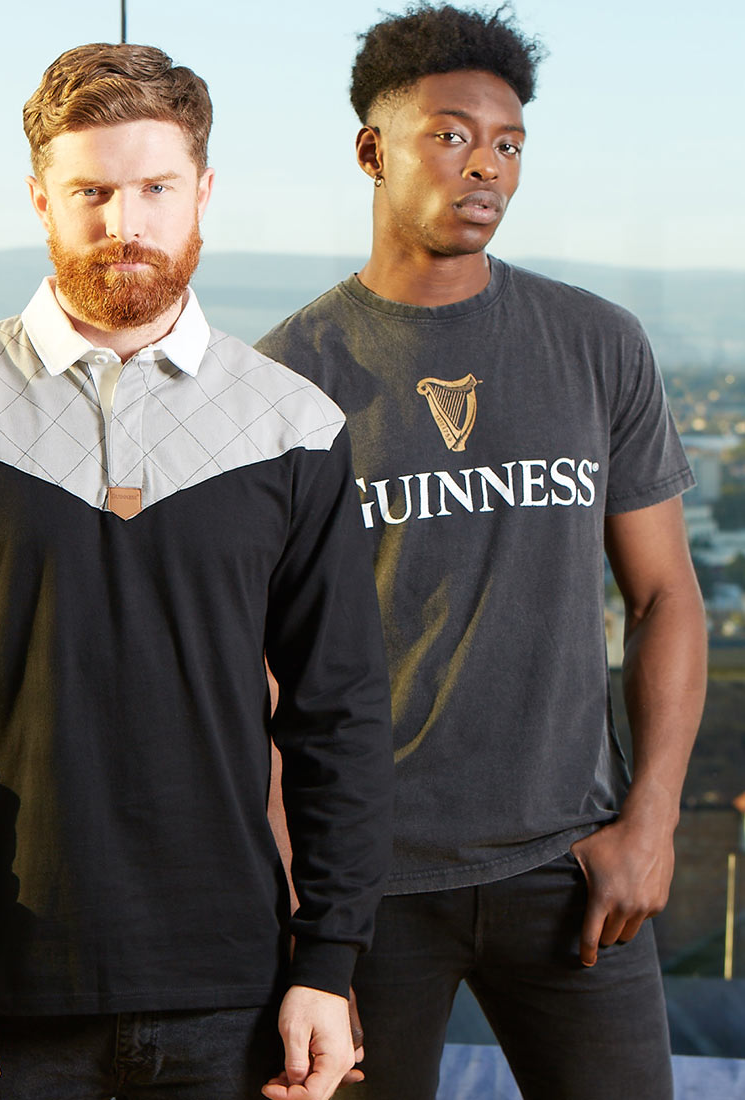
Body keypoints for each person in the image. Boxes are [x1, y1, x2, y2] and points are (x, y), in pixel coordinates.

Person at [0, 42, 393, 1100]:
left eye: (154, 188)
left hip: (235, 990)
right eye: (89, 190)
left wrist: (329, 960)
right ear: (40, 197)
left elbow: (340, 715)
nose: (122, 221)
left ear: (202, 195)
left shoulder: (291, 427)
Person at [256, 6, 707, 1099]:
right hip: (362, 893)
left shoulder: (595, 342)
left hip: (571, 869)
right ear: (369, 150)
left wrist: (647, 824)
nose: (485, 168)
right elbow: (254, 677)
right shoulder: (283, 380)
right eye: (449, 135)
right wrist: (296, 918)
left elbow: (663, 596)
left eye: (506, 144)